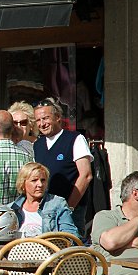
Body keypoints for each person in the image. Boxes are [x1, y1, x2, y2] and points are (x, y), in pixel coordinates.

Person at [32, 99, 92, 234]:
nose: (42, 123)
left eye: (46, 118)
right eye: (38, 120)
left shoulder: (75, 138)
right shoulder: (37, 145)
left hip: (72, 211)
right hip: (46, 210)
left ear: (58, 117)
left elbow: (86, 175)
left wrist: (68, 207)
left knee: (72, 250)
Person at [10, 162, 79, 240]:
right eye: (34, 180)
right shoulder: (12, 209)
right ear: (23, 184)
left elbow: (71, 236)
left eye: (43, 180)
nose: (40, 184)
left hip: (49, 250)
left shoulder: (57, 203)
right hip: (18, 251)